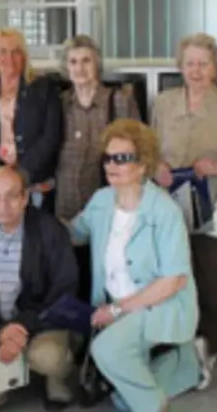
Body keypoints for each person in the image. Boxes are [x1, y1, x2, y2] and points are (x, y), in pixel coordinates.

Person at [67, 119, 200, 412]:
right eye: (108, 158)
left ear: (142, 166)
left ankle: (154, 405)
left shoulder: (164, 211)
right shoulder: (101, 201)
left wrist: (117, 310)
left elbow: (173, 281)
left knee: (106, 350)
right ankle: (180, 365)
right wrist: (30, 223)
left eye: (122, 158)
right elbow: (73, 234)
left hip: (159, 305)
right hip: (116, 305)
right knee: (119, 392)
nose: (111, 165)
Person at [150, 32, 217, 388]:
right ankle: (175, 351)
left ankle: (207, 351)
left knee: (215, 283)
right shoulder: (163, 103)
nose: (195, 70)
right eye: (189, 63)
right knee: (173, 281)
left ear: (215, 68)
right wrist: (158, 167)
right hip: (170, 208)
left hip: (216, 207)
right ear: (180, 67)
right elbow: (150, 149)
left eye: (203, 64)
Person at [0, 165, 78, 411]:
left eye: (11, 196)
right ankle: (15, 364)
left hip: (41, 325)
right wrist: (0, 332)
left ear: (25, 197)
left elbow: (64, 289)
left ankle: (54, 379)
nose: (3, 206)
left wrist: (22, 326)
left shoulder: (50, 230)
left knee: (50, 358)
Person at [55, 34, 141, 303]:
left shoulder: (119, 101)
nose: (79, 68)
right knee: (72, 280)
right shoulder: (60, 104)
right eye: (73, 62)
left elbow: (137, 150)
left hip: (108, 207)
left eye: (86, 61)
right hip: (66, 206)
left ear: (97, 65)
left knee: (107, 280)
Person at [0, 28, 62, 211]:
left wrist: (21, 172)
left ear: (24, 56)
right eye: (2, 51)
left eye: (16, 51)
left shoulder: (44, 89)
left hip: (34, 180)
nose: (9, 58)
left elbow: (50, 137)